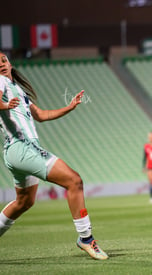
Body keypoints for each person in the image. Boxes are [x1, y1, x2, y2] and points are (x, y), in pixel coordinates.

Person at [0, 52, 108, 260]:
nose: (1, 65)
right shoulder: (2, 82)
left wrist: (69, 107)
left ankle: (85, 239)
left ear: (10, 64)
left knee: (24, 202)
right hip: (22, 148)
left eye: (3, 60)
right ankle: (85, 238)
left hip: (16, 152)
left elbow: (41, 115)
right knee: (74, 181)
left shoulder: (19, 91)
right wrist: (5, 106)